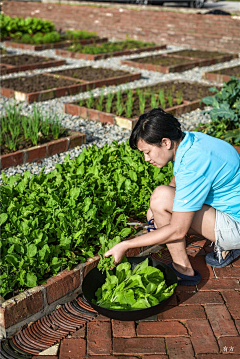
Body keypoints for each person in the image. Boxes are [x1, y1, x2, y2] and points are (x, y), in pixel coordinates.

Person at [105, 108, 240, 285]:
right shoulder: (191, 140)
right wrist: (156, 210)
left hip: (236, 226)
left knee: (162, 200)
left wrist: (126, 245)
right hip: (231, 211)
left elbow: (178, 229)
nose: (146, 159)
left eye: (147, 152)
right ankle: (227, 246)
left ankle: (184, 270)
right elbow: (177, 179)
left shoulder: (194, 163)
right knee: (159, 204)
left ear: (166, 142)